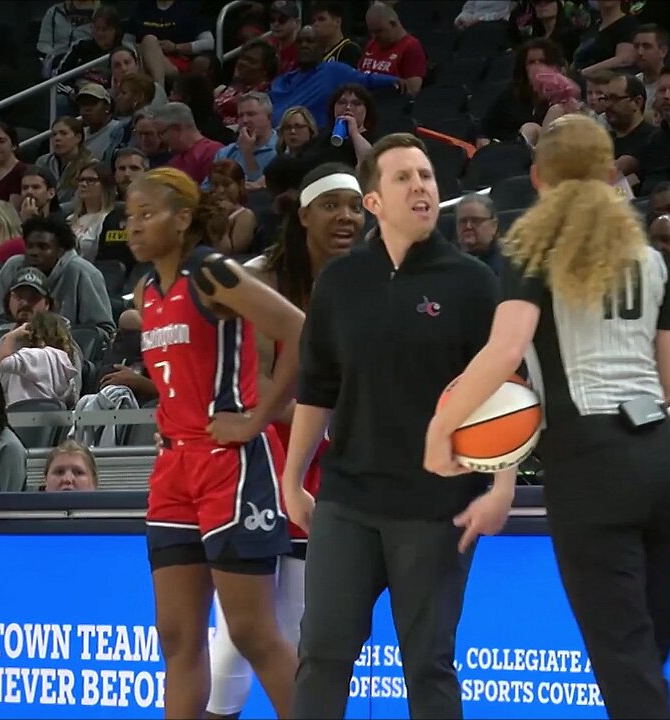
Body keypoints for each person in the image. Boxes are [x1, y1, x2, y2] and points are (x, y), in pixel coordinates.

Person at [425, 115, 670, 719]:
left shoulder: (535, 253)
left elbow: (505, 351)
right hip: (662, 458)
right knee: (647, 654)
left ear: (538, 178)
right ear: (607, 172)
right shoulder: (651, 260)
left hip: (591, 460)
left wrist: (444, 427)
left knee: (623, 657)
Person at [283, 133, 503, 719]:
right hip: (347, 500)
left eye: (427, 176)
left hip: (437, 506)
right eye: (403, 177)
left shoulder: (472, 283)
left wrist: (501, 485)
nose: (420, 187)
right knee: (322, 655)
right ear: (374, 201)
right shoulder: (339, 282)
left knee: (428, 664)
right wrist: (292, 476)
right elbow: (318, 388)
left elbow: (507, 396)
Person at [125, 167, 304, 718]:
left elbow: (299, 331)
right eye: (129, 216)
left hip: (230, 465)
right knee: (176, 636)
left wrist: (256, 421)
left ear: (182, 220)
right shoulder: (146, 291)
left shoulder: (211, 272)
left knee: (251, 631)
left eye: (146, 215)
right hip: (174, 467)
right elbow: (183, 369)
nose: (133, 227)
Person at [208, 162, 365, 718]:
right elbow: (263, 386)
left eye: (354, 206)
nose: (345, 217)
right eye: (331, 205)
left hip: (330, 461)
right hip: (261, 458)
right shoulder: (260, 281)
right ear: (302, 216)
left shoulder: (370, 284)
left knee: (298, 622)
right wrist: (330, 418)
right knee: (239, 628)